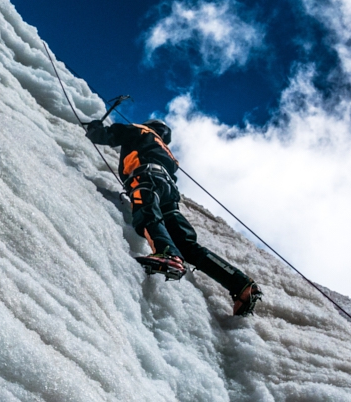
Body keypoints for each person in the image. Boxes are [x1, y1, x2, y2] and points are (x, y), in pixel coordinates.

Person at [85, 117, 262, 316]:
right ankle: (240, 283)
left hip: (146, 178)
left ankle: (167, 254)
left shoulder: (140, 130)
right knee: (186, 244)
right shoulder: (165, 148)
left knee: (147, 214)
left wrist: (94, 126)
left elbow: (104, 136)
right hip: (168, 188)